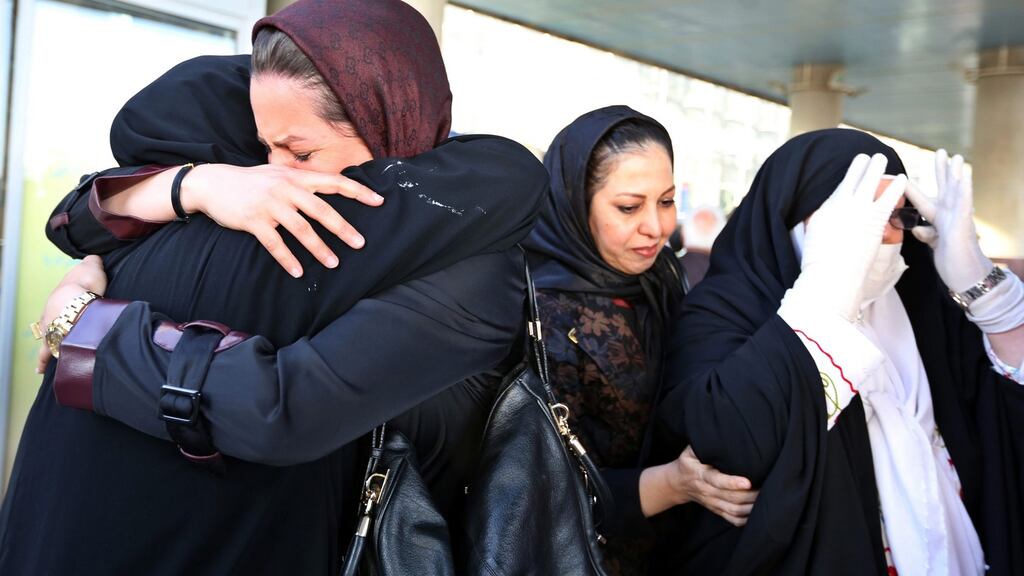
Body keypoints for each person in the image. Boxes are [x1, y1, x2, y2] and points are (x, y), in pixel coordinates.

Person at [0, 1, 547, 574]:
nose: (273, 170)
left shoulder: (461, 251)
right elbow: (77, 218)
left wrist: (80, 329)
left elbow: (284, 410)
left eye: (299, 151)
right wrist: (195, 185)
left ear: (386, 114)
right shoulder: (232, 181)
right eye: (265, 146)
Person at [654, 128, 1024, 575]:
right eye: (860, 212)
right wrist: (826, 296)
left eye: (895, 217)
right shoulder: (724, 310)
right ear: (792, 216)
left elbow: (1004, 413)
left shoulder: (918, 300)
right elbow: (732, 443)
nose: (882, 235)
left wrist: (981, 286)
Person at [522, 106, 758, 575]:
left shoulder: (661, 279)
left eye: (667, 201)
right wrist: (673, 483)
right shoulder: (536, 311)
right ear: (573, 202)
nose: (656, 227)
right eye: (629, 207)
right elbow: (535, 493)